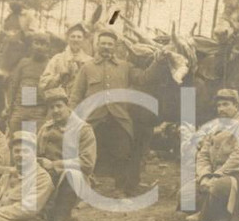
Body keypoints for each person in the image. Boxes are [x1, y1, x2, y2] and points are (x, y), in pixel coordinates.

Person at [69, 30, 174, 195]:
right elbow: (75, 95)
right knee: (86, 155)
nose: (106, 47)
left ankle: (120, 189)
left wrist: (158, 62)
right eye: (103, 43)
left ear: (115, 47)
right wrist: (74, 119)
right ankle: (81, 190)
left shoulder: (125, 66)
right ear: (97, 45)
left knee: (123, 153)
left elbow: (144, 78)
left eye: (110, 44)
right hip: (93, 119)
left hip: (119, 119)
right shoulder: (87, 67)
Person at [188, 89, 239, 221]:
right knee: (185, 194)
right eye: (219, 106)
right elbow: (203, 155)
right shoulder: (214, 128)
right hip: (216, 175)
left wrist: (217, 175)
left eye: (226, 104)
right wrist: (205, 176)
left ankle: (206, 216)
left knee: (220, 186)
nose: (221, 109)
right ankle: (217, 211)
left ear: (236, 106)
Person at [36, 87, 97, 221]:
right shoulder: (45, 128)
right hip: (46, 177)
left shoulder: (83, 129)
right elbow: (35, 153)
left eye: (59, 106)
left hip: (73, 179)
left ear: (67, 105)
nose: (55, 111)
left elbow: (87, 163)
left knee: (71, 177)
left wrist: (56, 165)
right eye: (51, 107)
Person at [5, 31, 51, 135]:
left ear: (48, 47)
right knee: (14, 140)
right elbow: (13, 85)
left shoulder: (50, 64)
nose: (39, 47)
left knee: (31, 143)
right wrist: (10, 108)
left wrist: (47, 113)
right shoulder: (24, 62)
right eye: (37, 43)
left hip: (38, 111)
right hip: (20, 108)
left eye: (43, 44)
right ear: (32, 45)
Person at [39, 23, 94, 96]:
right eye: (73, 36)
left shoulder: (90, 61)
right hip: (60, 102)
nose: (76, 39)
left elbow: (94, 86)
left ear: (83, 39)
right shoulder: (57, 59)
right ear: (67, 39)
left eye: (79, 37)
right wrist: (59, 77)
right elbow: (43, 83)